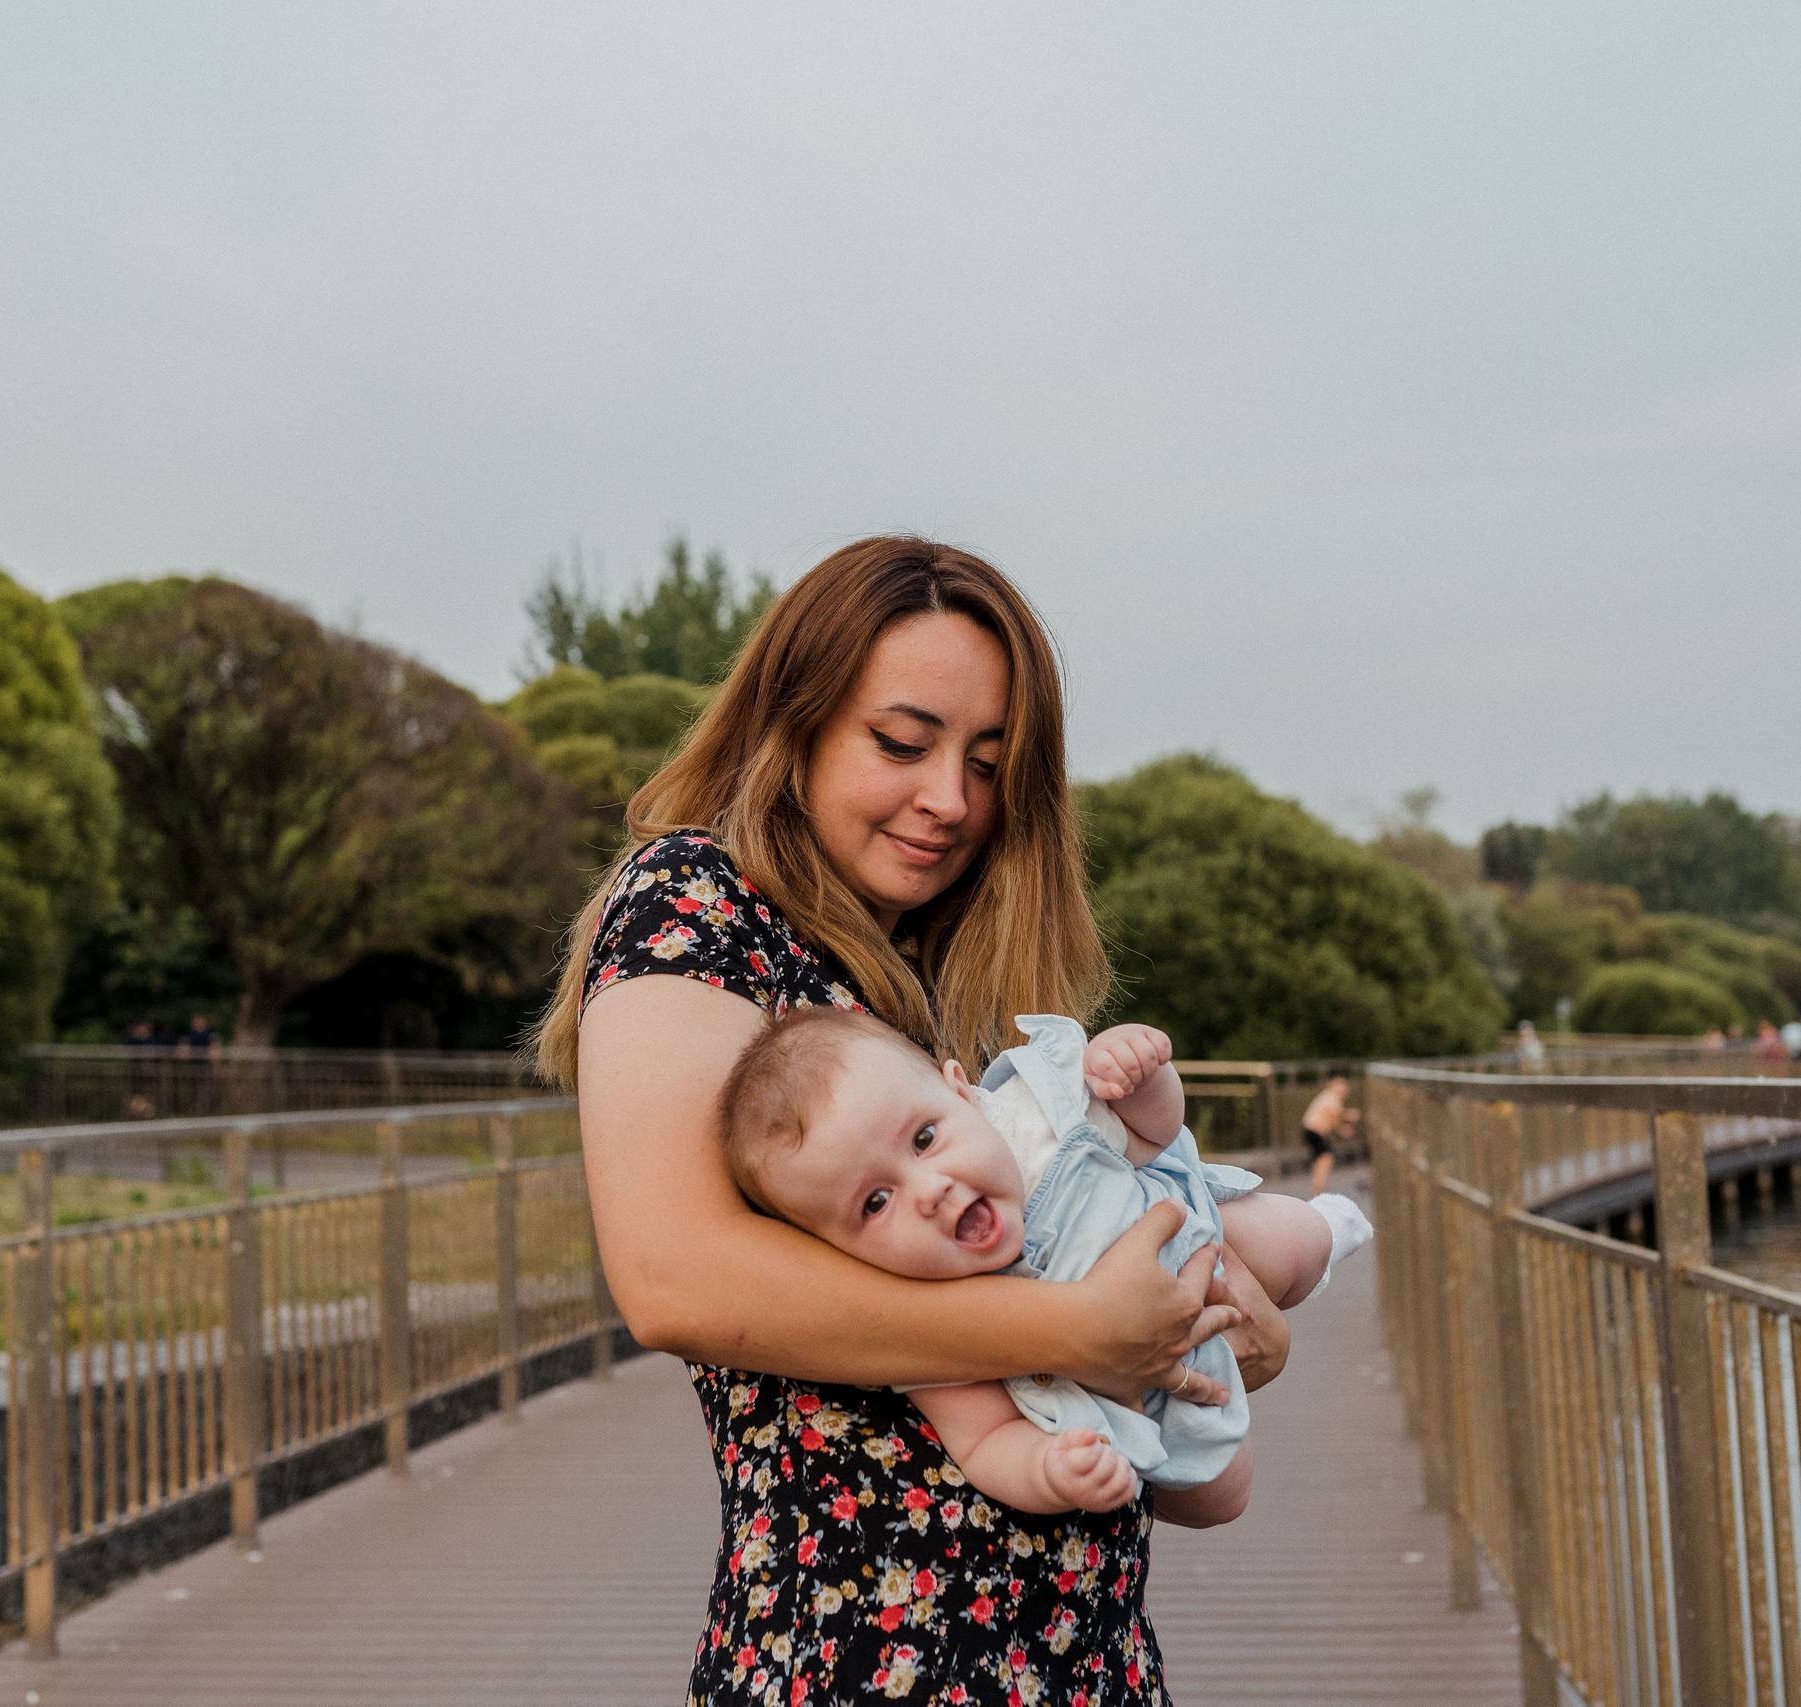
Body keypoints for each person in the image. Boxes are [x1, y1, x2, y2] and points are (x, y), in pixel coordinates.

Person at [541, 539, 1284, 1705]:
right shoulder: (698, 898)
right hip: (859, 1667)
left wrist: (1199, 1328)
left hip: (1077, 1664)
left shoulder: (927, 967)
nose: (951, 800)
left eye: (987, 764)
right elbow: (673, 1280)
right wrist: (1082, 1326)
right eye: (901, 742)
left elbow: (1078, 1337)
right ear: (791, 724)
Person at [720, 1007, 1367, 1516]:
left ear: (964, 1094)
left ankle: (1335, 1227)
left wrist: (1139, 1075)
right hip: (1158, 1390)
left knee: (1293, 1242)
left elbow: (1153, 1131)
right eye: (875, 1202)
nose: (931, 1191)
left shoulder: (1038, 1125)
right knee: (1223, 1496)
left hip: (1199, 1238)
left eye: (924, 1138)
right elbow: (984, 1441)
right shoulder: (921, 1320)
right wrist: (1051, 1470)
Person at [1300, 1075, 1357, 1198]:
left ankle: (1317, 1187)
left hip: (1313, 1130)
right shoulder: (1332, 1098)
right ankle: (1318, 1188)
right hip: (1315, 1131)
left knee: (1321, 1158)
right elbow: (1335, 1118)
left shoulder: (1329, 1097)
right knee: (1326, 1157)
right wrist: (1345, 1126)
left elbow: (1333, 1118)